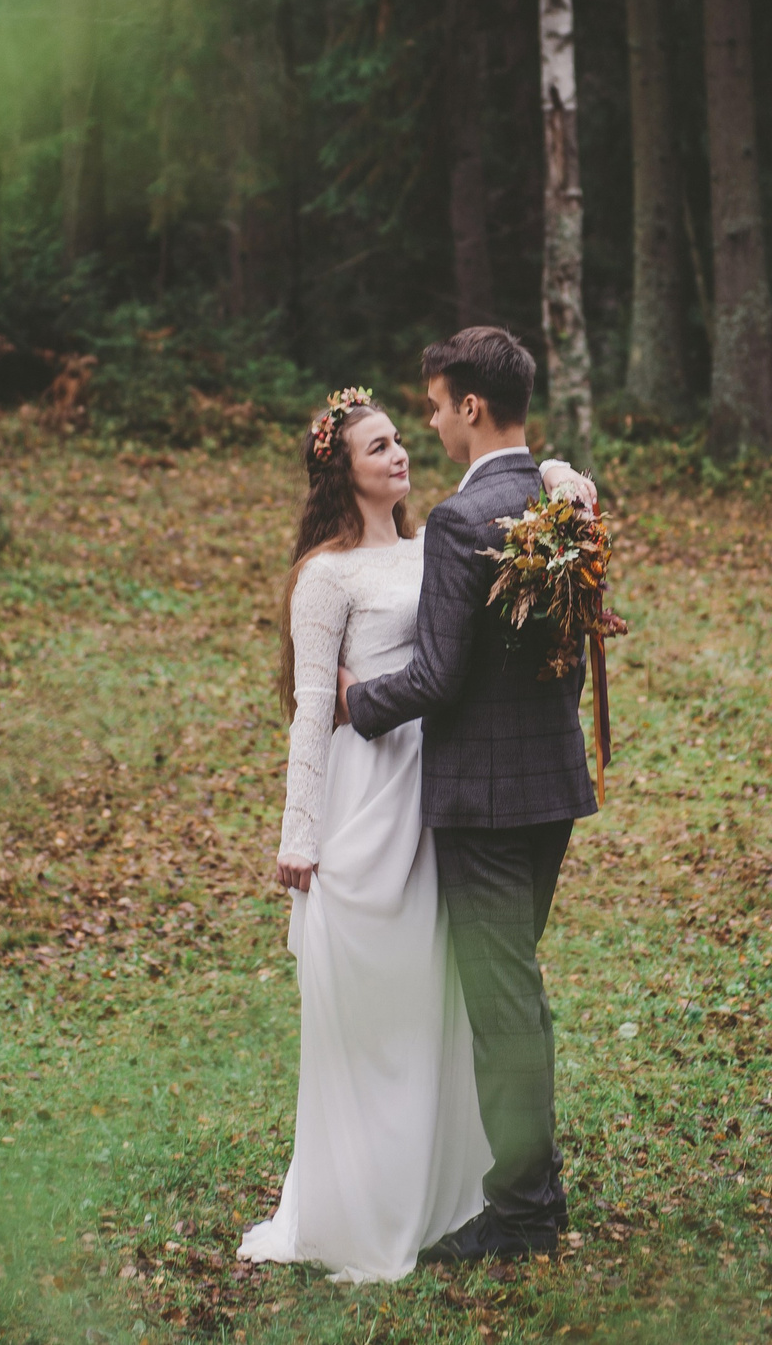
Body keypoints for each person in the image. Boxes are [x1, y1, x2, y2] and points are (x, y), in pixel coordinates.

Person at [237, 381, 590, 1282]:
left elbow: (515, 505)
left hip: (439, 799)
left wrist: (555, 469)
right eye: (378, 447)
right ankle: (364, 1197)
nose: (399, 453)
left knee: (443, 1003)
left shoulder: (444, 536)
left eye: (402, 438)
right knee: (373, 1010)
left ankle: (451, 1188)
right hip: (365, 803)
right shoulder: (325, 577)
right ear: (342, 472)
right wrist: (299, 836)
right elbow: (314, 709)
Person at [340, 327, 600, 1265]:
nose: (434, 423)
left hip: (484, 804)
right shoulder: (560, 497)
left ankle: (524, 1213)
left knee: (502, 1006)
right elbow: (571, 650)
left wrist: (352, 702)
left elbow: (439, 677)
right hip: (550, 786)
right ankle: (540, 1188)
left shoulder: (458, 521)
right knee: (517, 996)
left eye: (440, 406)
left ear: (473, 408)